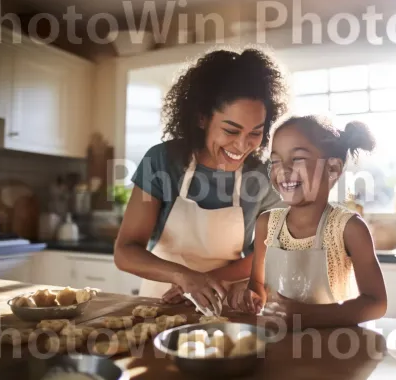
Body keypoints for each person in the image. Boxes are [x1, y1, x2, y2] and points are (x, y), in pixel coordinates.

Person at [114, 47, 288, 313]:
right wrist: (183, 277)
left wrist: (210, 281)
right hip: (163, 300)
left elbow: (265, 255)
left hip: (226, 302)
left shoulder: (263, 176)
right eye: (231, 130)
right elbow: (126, 251)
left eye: (256, 133)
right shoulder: (163, 161)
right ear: (201, 118)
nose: (242, 146)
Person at [228, 114, 387, 328]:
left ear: (333, 169)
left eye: (297, 159)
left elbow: (377, 303)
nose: (283, 169)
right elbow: (258, 287)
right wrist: (248, 296)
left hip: (335, 349)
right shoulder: (266, 224)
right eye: (275, 161)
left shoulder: (349, 228)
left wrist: (308, 316)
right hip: (277, 347)